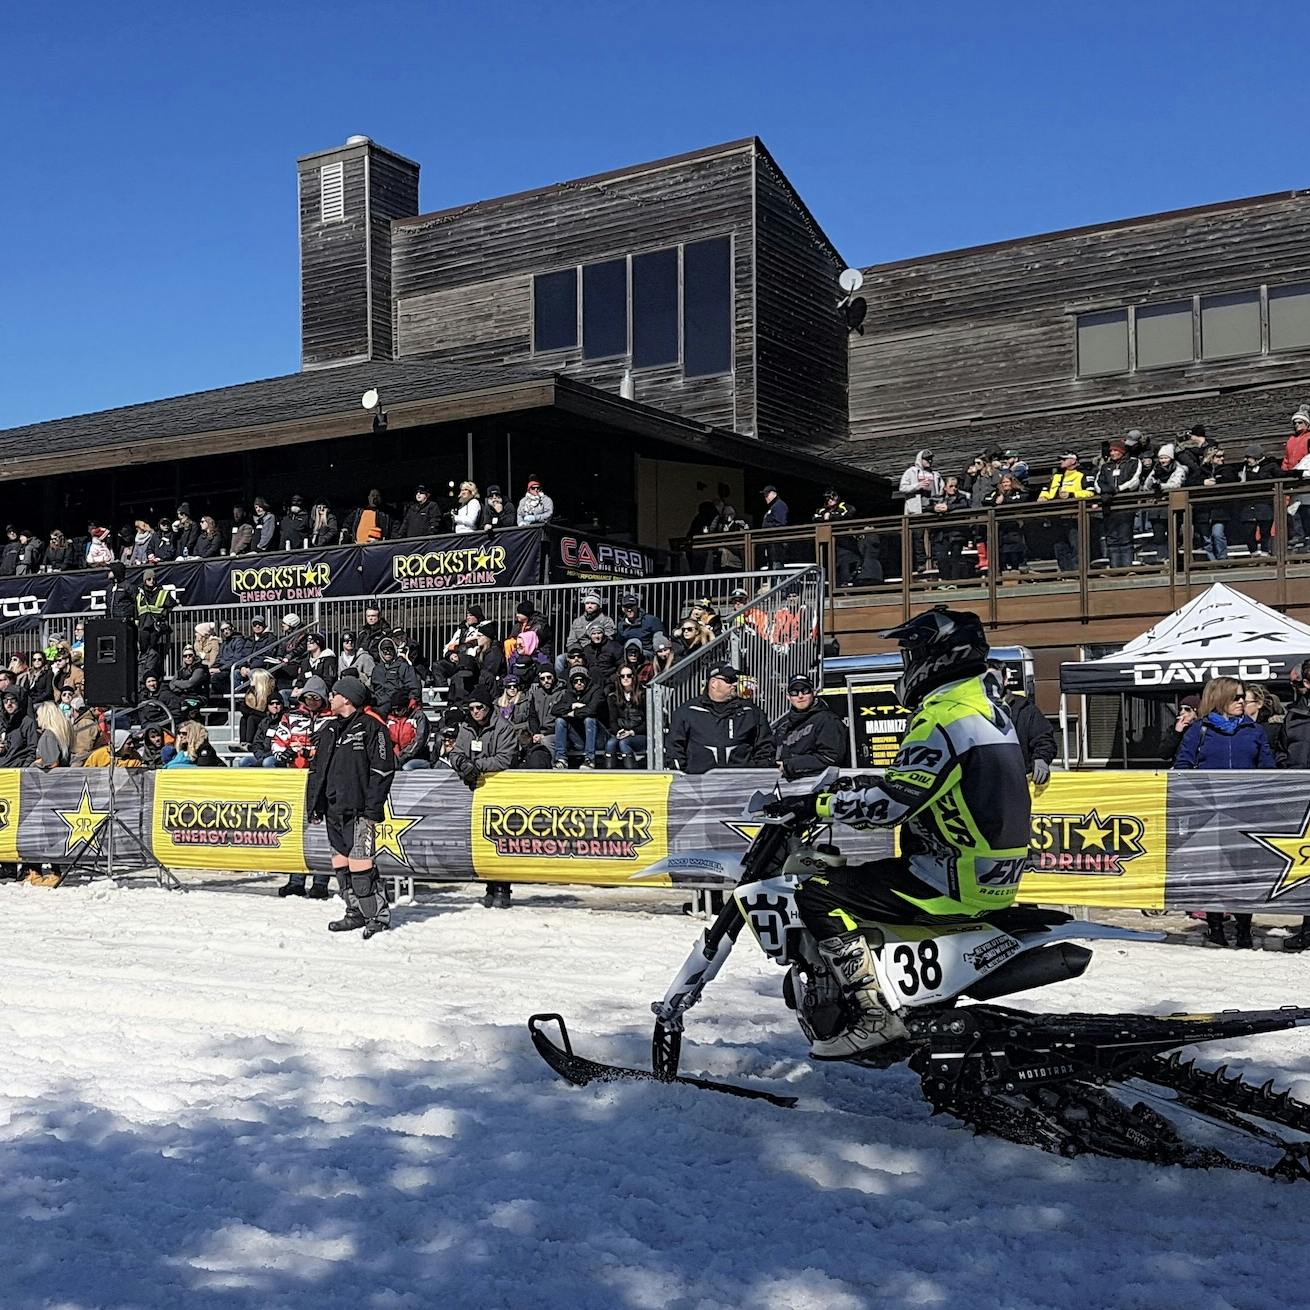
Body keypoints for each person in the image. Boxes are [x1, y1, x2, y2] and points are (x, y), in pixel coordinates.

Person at [775, 607, 1030, 1058]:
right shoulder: (987, 709)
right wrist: (863, 786)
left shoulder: (943, 718)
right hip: (988, 872)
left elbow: (889, 806)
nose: (905, 665)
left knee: (818, 893)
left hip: (948, 877)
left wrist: (815, 803)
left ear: (936, 656)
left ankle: (874, 1016)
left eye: (910, 654)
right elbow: (929, 785)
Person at [1173, 676, 1275, 949]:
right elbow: (1182, 766)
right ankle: (1215, 927)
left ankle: (1243, 929)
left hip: (1245, 814)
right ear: (1220, 699)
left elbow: (1269, 769)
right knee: (1212, 872)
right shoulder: (1199, 731)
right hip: (1208, 815)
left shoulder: (1254, 731)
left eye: (1243, 697)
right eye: (1237, 697)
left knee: (1244, 873)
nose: (1243, 702)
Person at [305, 678, 396, 937]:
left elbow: (383, 770)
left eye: (334, 694)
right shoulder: (329, 728)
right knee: (341, 865)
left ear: (347, 698)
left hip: (358, 810)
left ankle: (377, 916)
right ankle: (354, 912)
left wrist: (372, 809)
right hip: (333, 809)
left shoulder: (372, 727)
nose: (330, 698)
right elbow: (316, 771)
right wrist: (315, 805)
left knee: (361, 866)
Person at [665, 664, 774, 775]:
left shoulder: (749, 711)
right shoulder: (689, 711)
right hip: (699, 784)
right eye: (729, 680)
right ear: (714, 683)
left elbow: (765, 746)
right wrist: (684, 775)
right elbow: (674, 748)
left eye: (735, 680)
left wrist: (758, 773)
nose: (735, 684)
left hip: (742, 784)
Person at [984, 662, 1056, 783]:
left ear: (1005, 680)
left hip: (1019, 783)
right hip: (983, 786)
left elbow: (1044, 740)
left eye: (994, 678)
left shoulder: (1025, 708)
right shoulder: (968, 711)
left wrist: (1041, 759)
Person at [773, 674, 847, 778]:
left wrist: (792, 765)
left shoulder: (827, 720)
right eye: (794, 692)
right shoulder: (782, 725)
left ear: (814, 693)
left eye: (805, 690)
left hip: (819, 787)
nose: (800, 696)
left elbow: (831, 757)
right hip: (786, 787)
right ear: (788, 697)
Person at [1095, 437, 1144, 569]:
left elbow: (1134, 481)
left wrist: (1117, 490)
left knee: (1125, 536)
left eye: (1115, 451)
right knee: (1111, 537)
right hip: (1109, 505)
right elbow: (1098, 482)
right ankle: (1115, 567)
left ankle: (1126, 567)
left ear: (1121, 451)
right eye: (1111, 451)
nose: (1112, 453)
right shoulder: (1106, 466)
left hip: (1126, 504)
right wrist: (1105, 492)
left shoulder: (1133, 463)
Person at [896, 450, 942, 572]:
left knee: (935, 536)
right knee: (918, 537)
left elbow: (941, 488)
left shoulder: (936, 474)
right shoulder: (911, 472)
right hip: (916, 509)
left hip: (932, 508)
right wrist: (918, 486)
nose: (930, 461)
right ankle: (921, 563)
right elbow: (902, 487)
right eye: (927, 459)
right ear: (920, 459)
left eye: (931, 458)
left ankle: (936, 561)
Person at [554, 666, 605, 768]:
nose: (579, 683)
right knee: (560, 721)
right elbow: (555, 710)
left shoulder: (596, 691)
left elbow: (592, 710)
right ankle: (561, 759)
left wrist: (573, 713)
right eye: (575, 681)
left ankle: (590, 759)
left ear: (587, 680)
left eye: (582, 680)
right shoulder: (569, 694)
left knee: (589, 719)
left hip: (599, 738)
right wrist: (572, 705)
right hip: (579, 739)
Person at [1238, 444, 1282, 555]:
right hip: (1248, 503)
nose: (1246, 460)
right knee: (1248, 531)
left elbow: (1279, 476)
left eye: (1249, 457)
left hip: (1264, 502)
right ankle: (1253, 552)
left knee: (1265, 530)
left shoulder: (1270, 466)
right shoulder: (1243, 468)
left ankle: (1265, 552)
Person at [928, 474, 972, 581]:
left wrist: (948, 507)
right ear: (945, 487)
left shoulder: (961, 497)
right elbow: (926, 508)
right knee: (941, 558)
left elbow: (965, 505)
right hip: (940, 533)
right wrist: (935, 508)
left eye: (955, 486)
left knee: (955, 558)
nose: (954, 489)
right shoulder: (937, 499)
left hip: (956, 532)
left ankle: (954, 581)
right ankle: (945, 580)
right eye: (951, 486)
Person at [605, 668, 647, 767]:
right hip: (622, 732)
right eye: (622, 676)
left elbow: (648, 722)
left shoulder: (643, 695)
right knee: (610, 743)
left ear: (634, 677)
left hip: (640, 734)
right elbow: (612, 721)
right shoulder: (613, 697)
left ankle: (632, 772)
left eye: (629, 675)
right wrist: (617, 732)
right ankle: (609, 776)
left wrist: (633, 731)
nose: (625, 678)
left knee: (624, 743)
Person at [233, 689, 286, 768]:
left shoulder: (286, 721)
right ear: (268, 706)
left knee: (267, 762)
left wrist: (266, 756)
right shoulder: (264, 722)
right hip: (262, 755)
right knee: (244, 761)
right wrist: (260, 755)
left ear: (282, 705)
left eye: (278, 703)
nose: (275, 706)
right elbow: (257, 742)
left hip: (278, 755)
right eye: (271, 703)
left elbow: (284, 745)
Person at [370, 636, 421, 715]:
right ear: (380, 652)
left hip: (398, 706)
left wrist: (410, 702)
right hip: (379, 705)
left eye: (390, 649)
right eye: (385, 650)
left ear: (395, 651)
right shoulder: (376, 669)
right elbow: (372, 689)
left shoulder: (403, 666)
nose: (388, 652)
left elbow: (413, 687)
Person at [32, 701, 71, 770]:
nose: (37, 719)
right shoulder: (59, 734)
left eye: (38, 716)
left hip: (47, 778)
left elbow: (51, 762)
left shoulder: (49, 735)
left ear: (45, 716)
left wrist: (33, 765)